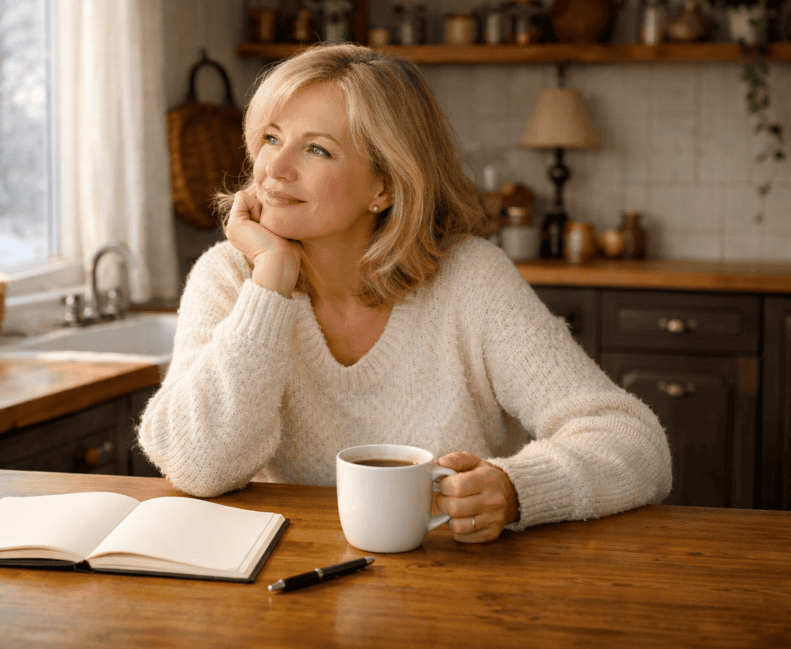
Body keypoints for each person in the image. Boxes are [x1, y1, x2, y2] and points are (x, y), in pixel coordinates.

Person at [137, 43, 671, 543]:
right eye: (272, 138)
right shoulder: (230, 278)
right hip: (289, 583)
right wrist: (271, 279)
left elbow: (635, 444)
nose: (274, 169)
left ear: (385, 186)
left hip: (456, 586)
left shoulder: (470, 280)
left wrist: (515, 488)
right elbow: (197, 466)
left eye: (316, 149)